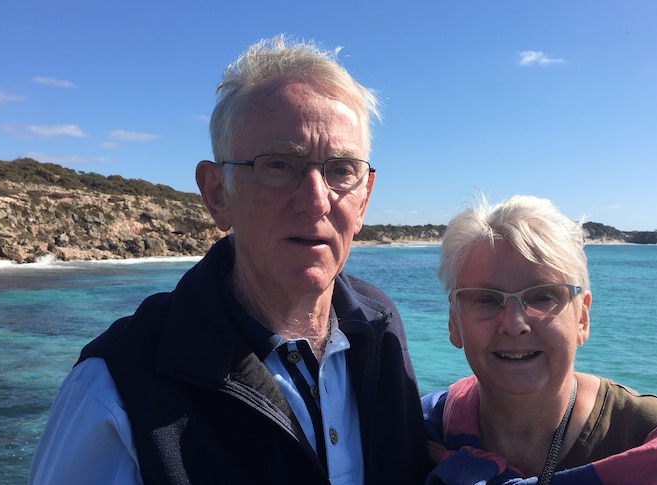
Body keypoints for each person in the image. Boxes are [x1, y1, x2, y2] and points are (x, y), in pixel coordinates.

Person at [30, 35, 429, 484]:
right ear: (218, 194)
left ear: (364, 199)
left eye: (341, 170)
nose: (316, 201)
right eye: (279, 164)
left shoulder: (379, 331)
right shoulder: (118, 387)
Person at [422, 194, 657, 485]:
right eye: (486, 299)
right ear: (454, 321)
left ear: (582, 318)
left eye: (543, 296)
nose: (514, 323)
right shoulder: (423, 428)